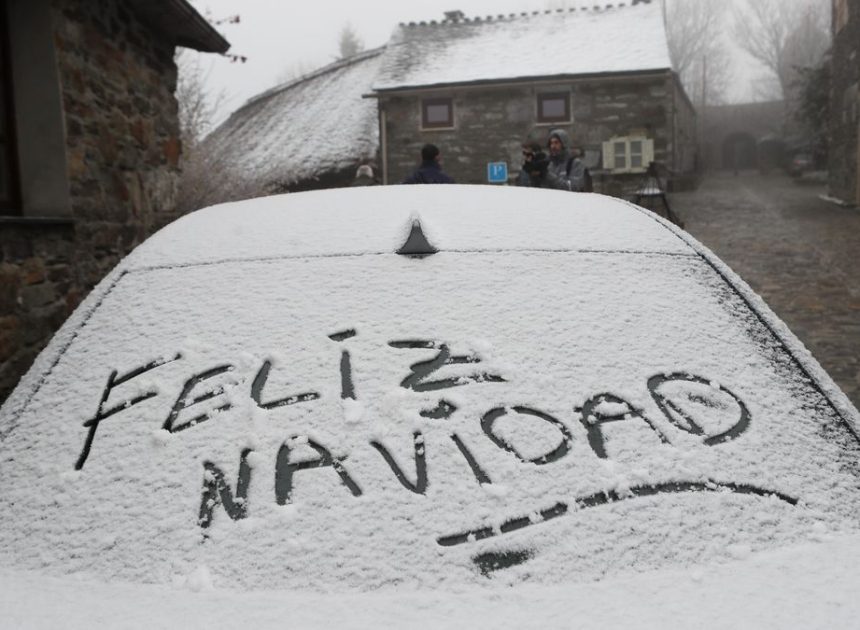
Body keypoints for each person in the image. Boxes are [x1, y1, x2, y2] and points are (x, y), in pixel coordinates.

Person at [518, 130, 587, 191]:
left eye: (556, 143)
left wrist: (546, 174)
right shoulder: (548, 164)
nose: (553, 146)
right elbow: (539, 191)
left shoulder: (575, 163)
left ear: (564, 144)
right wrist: (534, 175)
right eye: (551, 143)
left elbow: (573, 187)